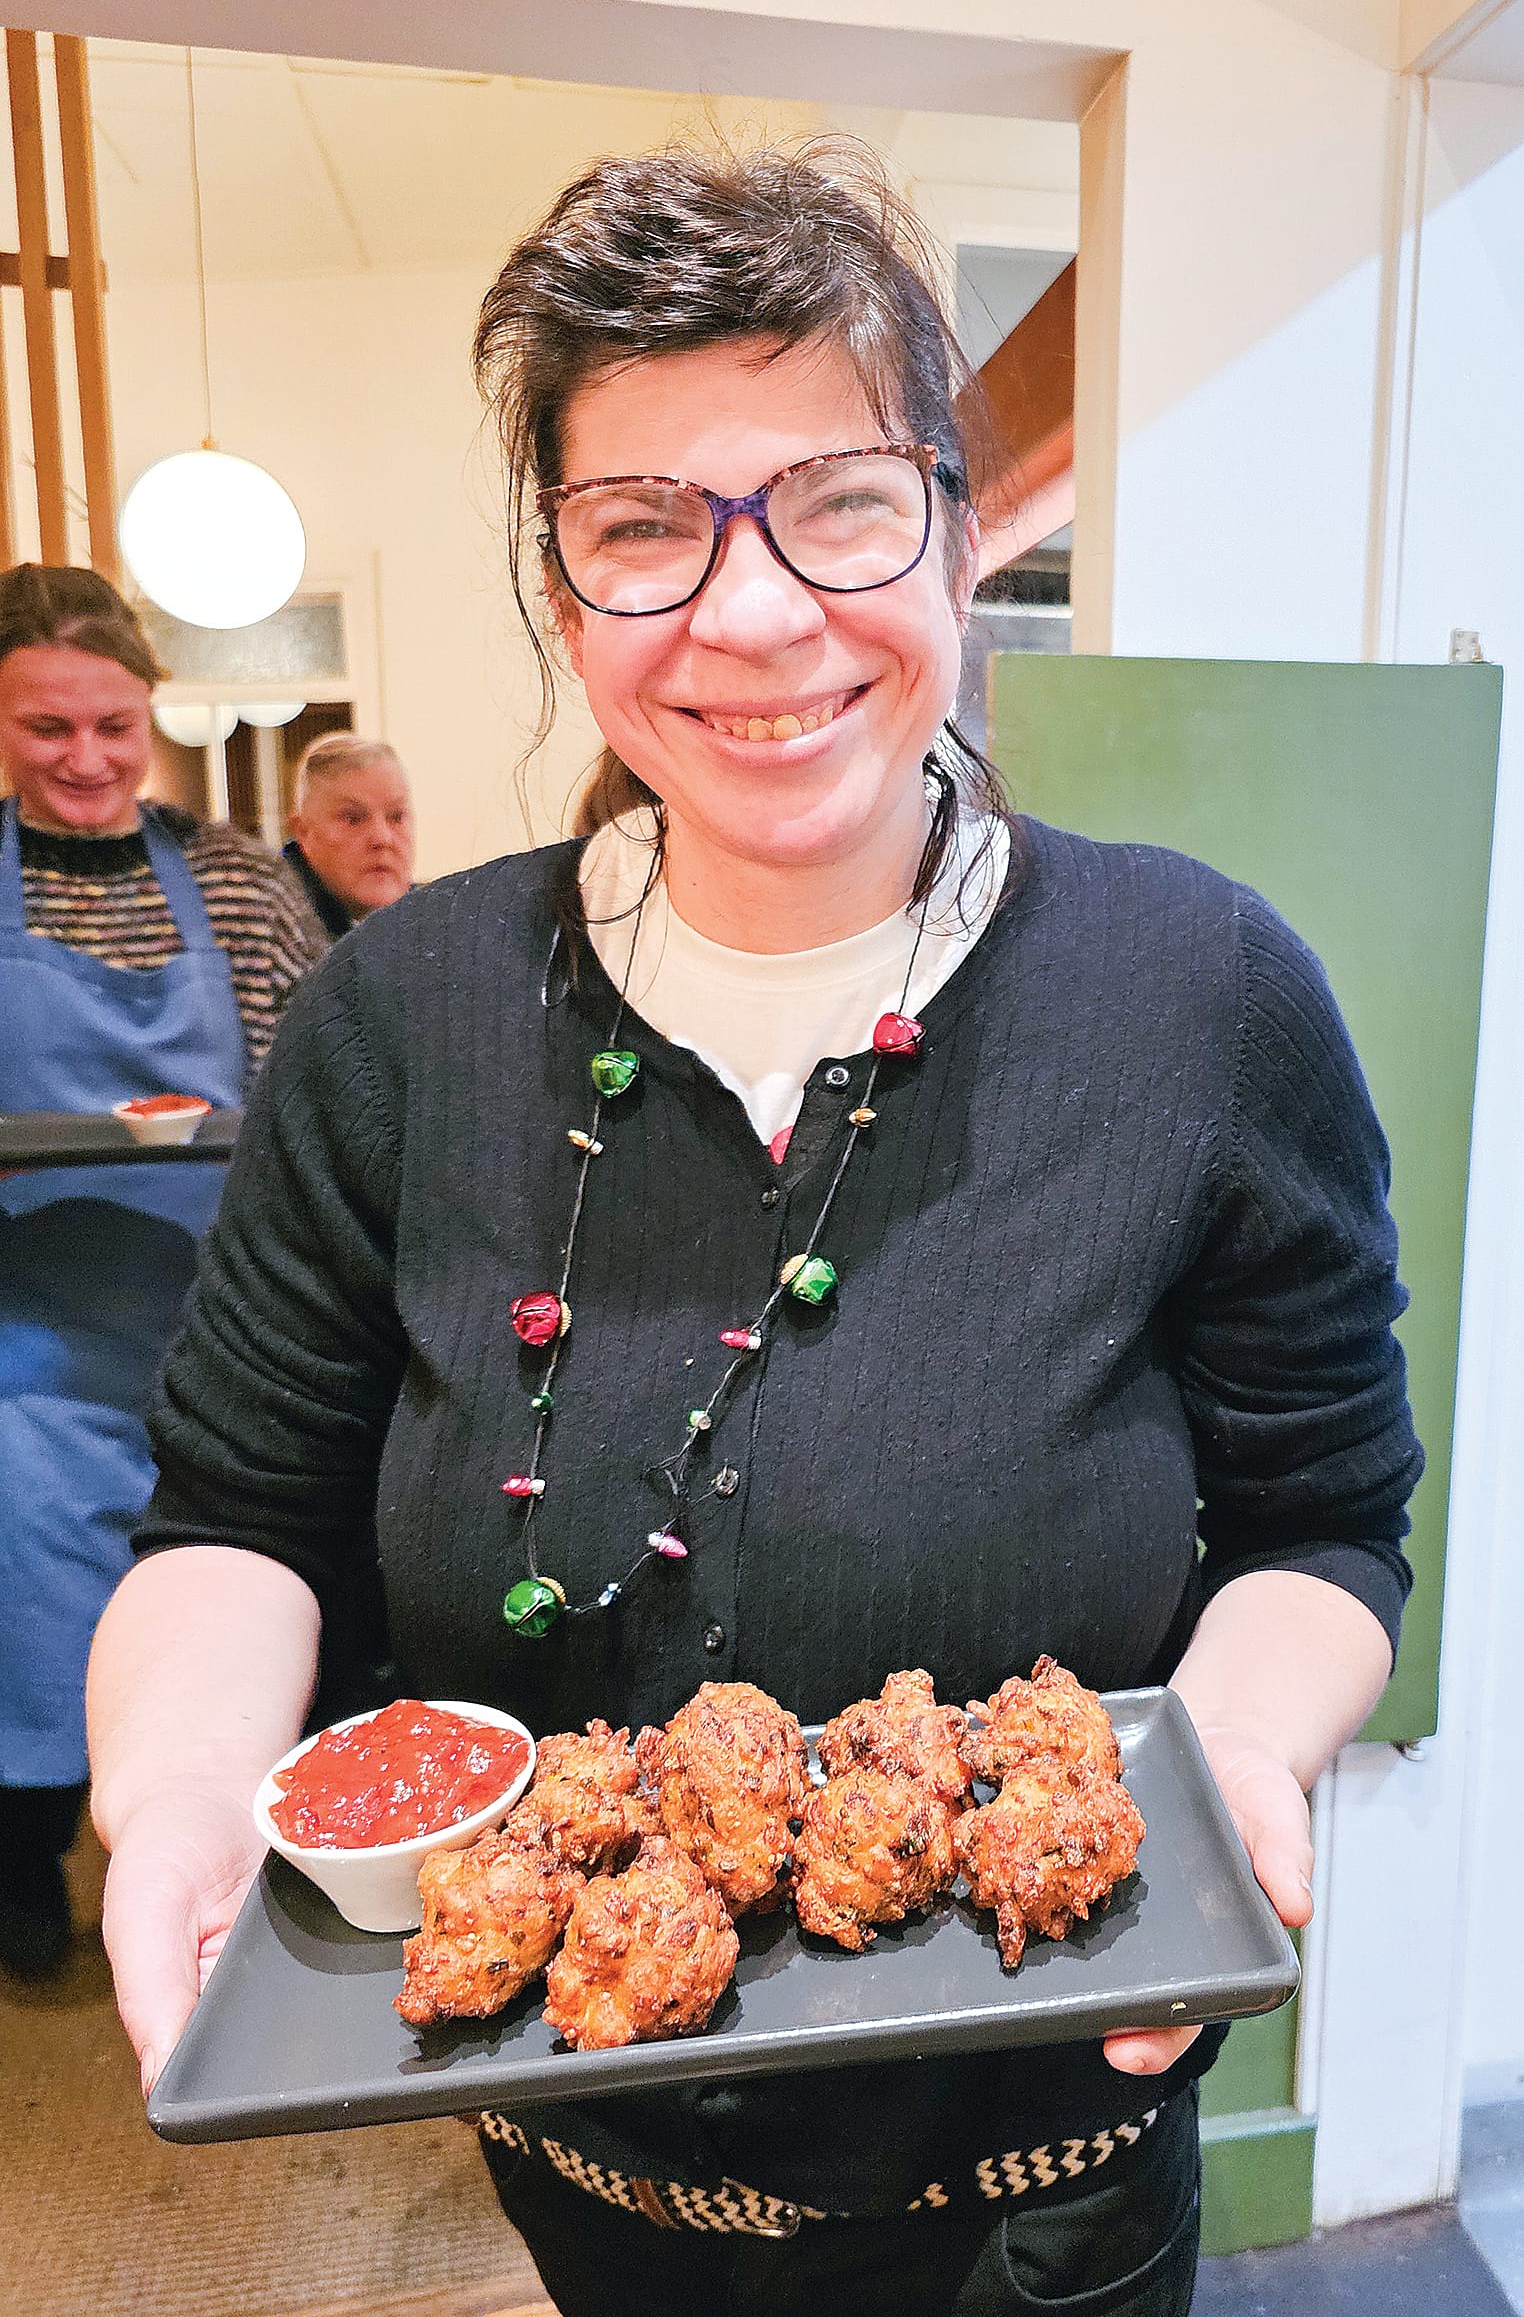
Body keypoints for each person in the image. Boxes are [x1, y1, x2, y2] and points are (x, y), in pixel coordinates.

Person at [87, 148, 1420, 2316]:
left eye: (844, 497)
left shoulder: (1200, 993)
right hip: (597, 2175)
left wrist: (1241, 1759)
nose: (757, 610)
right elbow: (237, 1517)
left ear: (964, 528)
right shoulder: (395, 1021)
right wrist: (166, 1794)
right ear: (561, 574)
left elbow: (1328, 1514)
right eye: (645, 528)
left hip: (1047, 2178)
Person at [0, 563, 326, 1979]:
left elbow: (319, 1088)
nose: (85, 759)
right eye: (44, 728)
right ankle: (23, 1889)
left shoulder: (239, 885)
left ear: (154, 720)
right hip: (23, 1345)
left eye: (112, 728)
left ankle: (251, 1893)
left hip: (217, 1323)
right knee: (24, 1631)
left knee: (240, 1609)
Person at [281, 731, 416, 941]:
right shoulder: (273, 938)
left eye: (396, 817)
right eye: (353, 819)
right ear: (303, 832)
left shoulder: (441, 924)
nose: (382, 839)